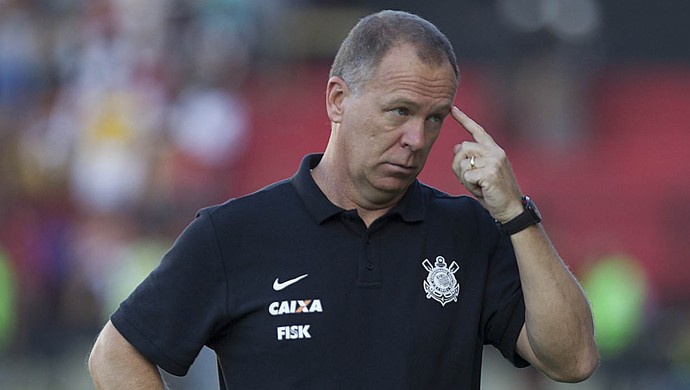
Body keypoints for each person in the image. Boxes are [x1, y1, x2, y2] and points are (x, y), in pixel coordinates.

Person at [88, 10, 599, 389]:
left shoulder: (470, 230)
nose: (418, 139)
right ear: (337, 100)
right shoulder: (235, 232)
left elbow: (572, 360)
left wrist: (515, 215)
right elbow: (116, 352)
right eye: (399, 111)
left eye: (435, 118)